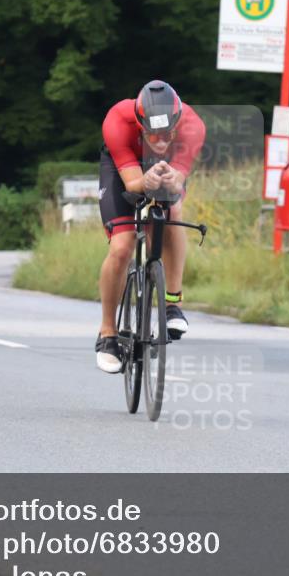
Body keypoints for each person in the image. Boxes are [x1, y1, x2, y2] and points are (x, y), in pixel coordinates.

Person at [95, 80, 206, 373]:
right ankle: (107, 333)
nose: (160, 141)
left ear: (178, 123)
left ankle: (172, 302)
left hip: (166, 170)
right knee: (122, 247)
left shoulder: (193, 126)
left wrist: (172, 180)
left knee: (174, 209)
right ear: (139, 124)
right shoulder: (118, 120)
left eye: (167, 134)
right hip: (125, 169)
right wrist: (145, 181)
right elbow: (132, 184)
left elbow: (179, 180)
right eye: (152, 134)